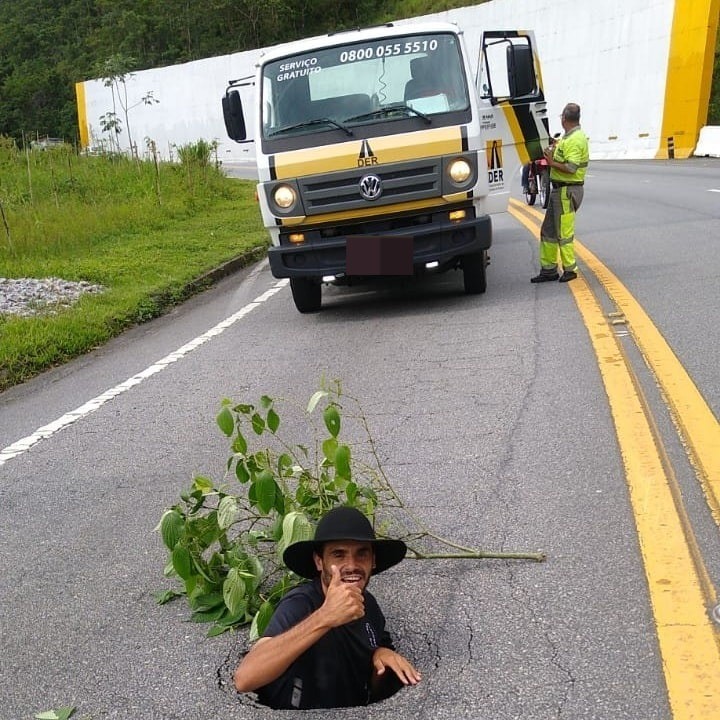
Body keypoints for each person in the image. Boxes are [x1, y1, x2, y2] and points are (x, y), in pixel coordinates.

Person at [233, 506, 421, 709]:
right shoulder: (300, 603)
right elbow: (245, 678)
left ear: (373, 561)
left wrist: (380, 653)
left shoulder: (370, 605)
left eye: (362, 554)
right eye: (338, 555)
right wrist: (325, 616)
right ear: (319, 561)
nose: (351, 565)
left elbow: (373, 681)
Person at [531, 103, 589, 283]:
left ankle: (570, 269)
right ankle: (548, 269)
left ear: (564, 118)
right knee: (548, 230)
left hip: (567, 190)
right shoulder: (568, 138)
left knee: (564, 233)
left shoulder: (575, 140)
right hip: (559, 190)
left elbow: (571, 168)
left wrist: (551, 163)